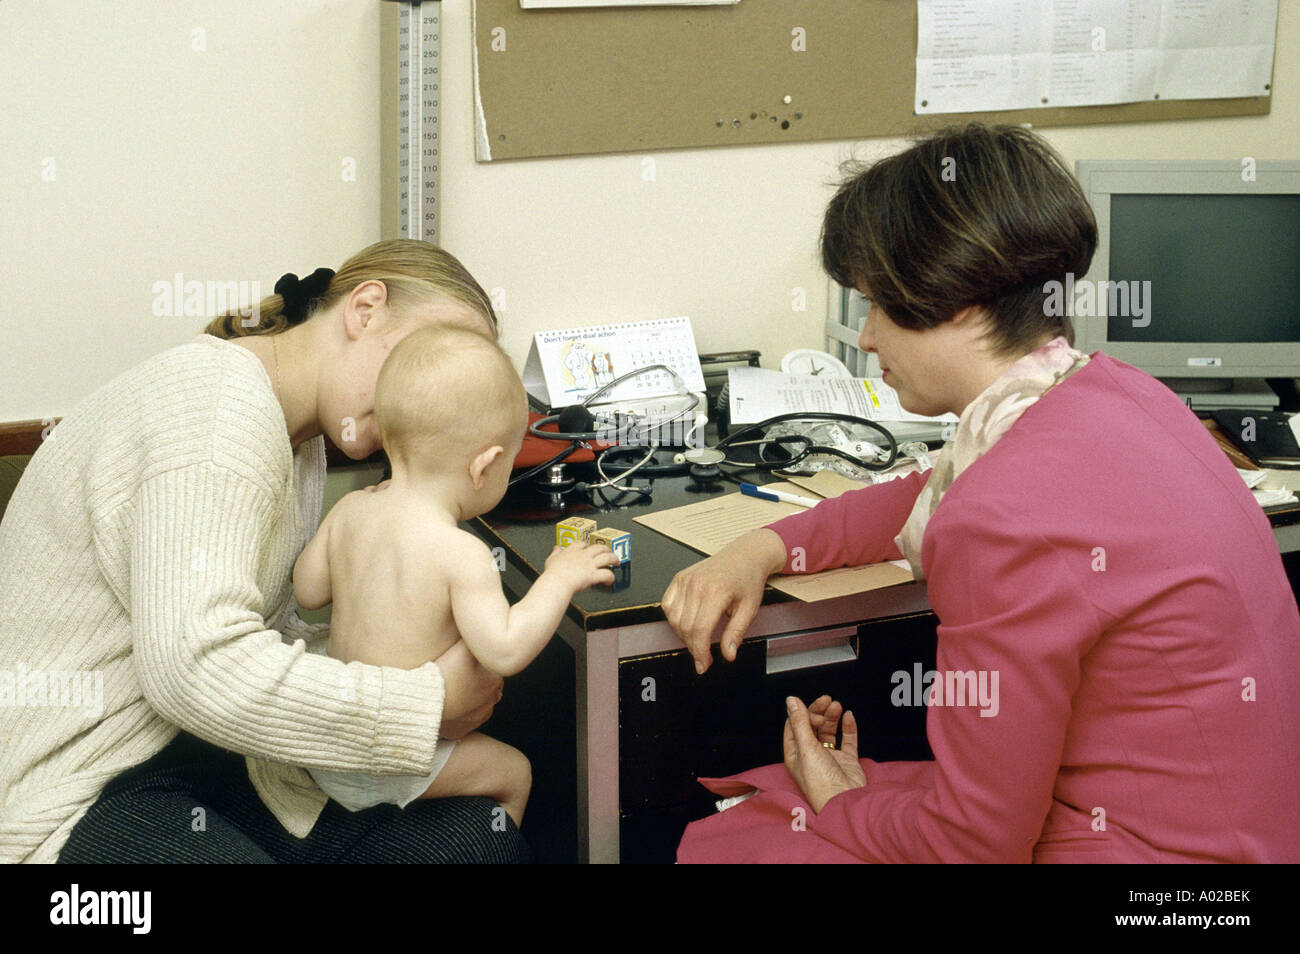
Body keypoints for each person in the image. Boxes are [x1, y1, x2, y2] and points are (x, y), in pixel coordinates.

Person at [662, 124, 1300, 863]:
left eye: (877, 305)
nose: (866, 338)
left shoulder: (998, 515)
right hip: (1248, 836)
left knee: (740, 840)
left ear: (960, 302)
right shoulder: (1118, 392)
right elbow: (925, 491)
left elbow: (972, 845)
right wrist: (763, 544)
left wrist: (842, 803)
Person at [0, 239, 529, 863]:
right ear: (365, 309)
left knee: (471, 842)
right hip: (85, 796)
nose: (426, 402)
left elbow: (258, 640)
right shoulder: (217, 409)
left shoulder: (294, 437)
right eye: (420, 361)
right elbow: (196, 670)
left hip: (211, 763)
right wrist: (422, 702)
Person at [292, 325, 618, 826]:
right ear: (484, 466)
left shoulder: (352, 509)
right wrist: (559, 577)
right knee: (517, 772)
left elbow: (307, 591)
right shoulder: (462, 553)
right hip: (394, 760)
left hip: (329, 751)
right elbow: (505, 650)